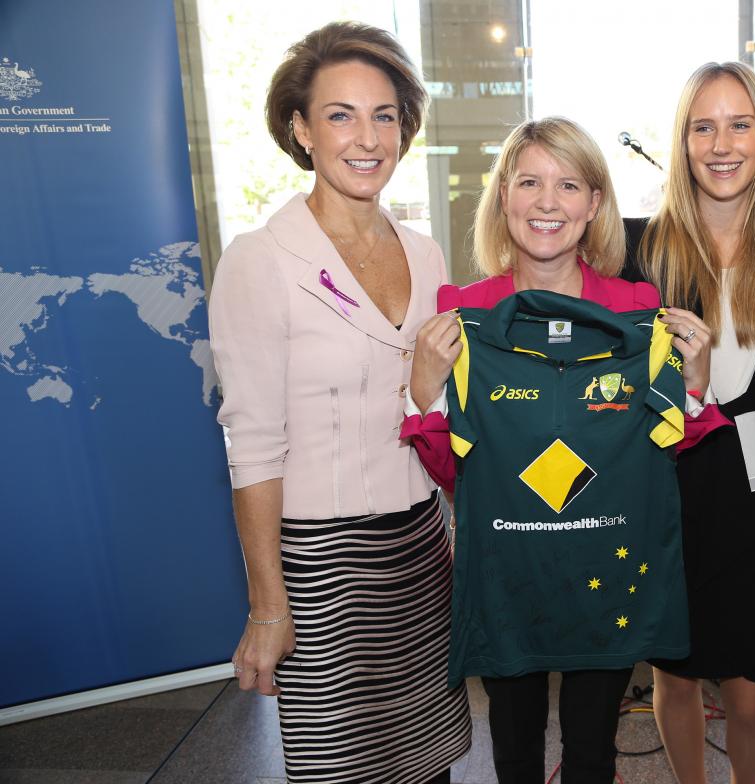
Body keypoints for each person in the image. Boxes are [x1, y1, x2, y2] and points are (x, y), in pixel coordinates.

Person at [403, 116, 716, 784]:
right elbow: (451, 468)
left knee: (593, 755)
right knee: (513, 754)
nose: (548, 202)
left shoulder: (637, 309)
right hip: (506, 575)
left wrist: (691, 386)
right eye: (530, 182)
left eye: (569, 184)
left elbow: (663, 451)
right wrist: (424, 394)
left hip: (605, 569)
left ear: (594, 204)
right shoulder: (464, 314)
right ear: (505, 199)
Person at [208, 22, 470, 784]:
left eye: (384, 115)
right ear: (300, 128)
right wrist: (268, 604)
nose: (367, 137)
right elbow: (252, 443)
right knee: (344, 769)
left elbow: (432, 404)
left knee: (432, 763)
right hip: (322, 563)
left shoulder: (424, 252)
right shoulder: (260, 260)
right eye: (340, 114)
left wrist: (431, 393)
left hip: (423, 545)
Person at [622, 61, 755, 783]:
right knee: (673, 677)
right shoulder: (640, 246)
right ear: (682, 143)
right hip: (668, 489)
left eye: (739, 124)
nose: (721, 144)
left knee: (751, 687)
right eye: (702, 126)